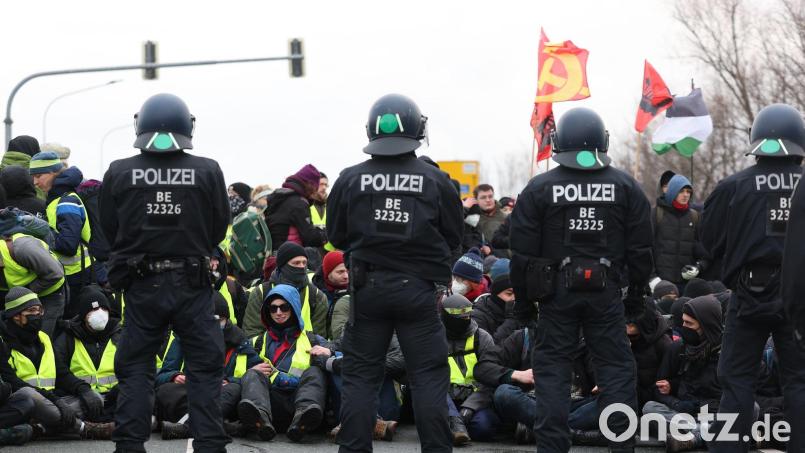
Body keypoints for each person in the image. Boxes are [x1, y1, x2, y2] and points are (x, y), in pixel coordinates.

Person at [509, 107, 654, 453]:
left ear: (559, 142)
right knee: (617, 371)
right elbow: (642, 251)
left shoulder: (540, 187)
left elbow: (522, 255)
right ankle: (621, 446)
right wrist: (635, 297)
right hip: (606, 294)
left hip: (555, 296)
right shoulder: (625, 186)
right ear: (603, 142)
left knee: (553, 374)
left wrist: (525, 305)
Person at [327, 93, 463, 453]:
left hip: (368, 290)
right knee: (429, 378)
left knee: (359, 378)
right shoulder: (437, 181)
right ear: (418, 129)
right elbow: (454, 235)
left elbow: (336, 236)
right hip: (418, 293)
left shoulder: (349, 179)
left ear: (372, 129)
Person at [100, 93, 230, 453]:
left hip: (142, 285)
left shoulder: (119, 171)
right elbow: (219, 228)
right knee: (204, 370)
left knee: (136, 369)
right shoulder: (207, 169)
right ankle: (209, 446)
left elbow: (111, 229)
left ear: (140, 125)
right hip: (193, 284)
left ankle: (129, 446)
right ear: (187, 126)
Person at [703, 103, 805, 452]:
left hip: (749, 292)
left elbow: (709, 240)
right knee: (799, 381)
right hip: (800, 295)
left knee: (736, 380)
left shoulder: (734, 186)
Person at [0, 287, 108, 438]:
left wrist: (84, 390)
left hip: (50, 404)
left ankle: (39, 428)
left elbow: (62, 374)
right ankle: (84, 428)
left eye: (40, 310)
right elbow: (12, 382)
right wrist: (56, 401)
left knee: (95, 399)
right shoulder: (2, 341)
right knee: (29, 395)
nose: (37, 315)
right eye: (31, 311)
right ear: (15, 316)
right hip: (23, 403)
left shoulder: (44, 338)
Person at [154, 293, 265, 440]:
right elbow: (162, 375)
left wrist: (229, 381)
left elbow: (257, 377)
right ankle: (220, 425)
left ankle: (191, 425)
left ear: (227, 320)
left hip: (224, 395)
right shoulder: (182, 339)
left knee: (235, 389)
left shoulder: (239, 341)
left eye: (220, 320)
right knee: (165, 391)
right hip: (192, 393)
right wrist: (175, 376)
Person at [250, 284, 334, 441]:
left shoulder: (313, 340)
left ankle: (302, 421)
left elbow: (339, 354)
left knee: (316, 371)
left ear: (294, 308)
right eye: (273, 309)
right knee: (252, 373)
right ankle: (259, 420)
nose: (278, 312)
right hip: (269, 405)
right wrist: (251, 368)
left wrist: (329, 351)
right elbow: (231, 365)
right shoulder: (257, 342)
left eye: (284, 307)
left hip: (302, 405)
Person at [643, 295, 723, 452]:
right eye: (683, 321)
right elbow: (658, 389)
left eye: (689, 323)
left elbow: (733, 396)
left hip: (714, 414)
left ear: (706, 325)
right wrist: (675, 401)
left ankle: (697, 436)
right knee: (649, 409)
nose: (683, 327)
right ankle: (703, 434)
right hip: (681, 413)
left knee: (740, 414)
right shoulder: (678, 348)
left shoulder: (726, 354)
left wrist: (698, 406)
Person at [29, 151, 94, 318]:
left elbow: (68, 245)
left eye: (39, 175)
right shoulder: (56, 198)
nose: (35, 182)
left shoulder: (66, 200)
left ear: (53, 172)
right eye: (32, 177)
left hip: (76, 277)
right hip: (69, 275)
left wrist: (40, 230)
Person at [52, 285, 118, 436]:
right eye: (93, 310)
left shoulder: (119, 335)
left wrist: (122, 388)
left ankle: (94, 426)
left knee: (138, 401)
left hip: (115, 397)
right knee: (62, 410)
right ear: (83, 315)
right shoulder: (68, 338)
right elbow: (59, 370)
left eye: (103, 309)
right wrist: (83, 390)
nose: (100, 314)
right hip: (80, 398)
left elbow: (134, 367)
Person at [441, 294, 504, 445]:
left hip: (475, 399)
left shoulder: (482, 338)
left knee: (483, 429)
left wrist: (469, 408)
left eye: (467, 312)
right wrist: (453, 413)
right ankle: (454, 423)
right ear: (446, 315)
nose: (464, 317)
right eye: (458, 314)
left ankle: (457, 427)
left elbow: (491, 377)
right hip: (444, 398)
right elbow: (428, 378)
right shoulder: (434, 338)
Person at [242, 242, 328, 338]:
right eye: (296, 263)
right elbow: (252, 332)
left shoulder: (316, 296)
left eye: (304, 263)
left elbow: (320, 338)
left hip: (304, 351)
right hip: (266, 351)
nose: (301, 267)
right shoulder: (261, 292)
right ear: (283, 265)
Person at [0, 231, 66, 336]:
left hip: (49, 295)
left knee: (41, 335)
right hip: (20, 297)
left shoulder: (24, 249)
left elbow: (56, 273)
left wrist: (26, 293)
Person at [650, 174, 705, 293]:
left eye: (688, 191)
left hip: (686, 285)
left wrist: (698, 267)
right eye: (681, 191)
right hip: (661, 284)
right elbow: (646, 248)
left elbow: (704, 252)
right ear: (673, 191)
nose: (686, 195)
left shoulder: (694, 216)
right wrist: (652, 278)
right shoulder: (656, 214)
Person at [265, 164, 327, 250]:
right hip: (291, 255)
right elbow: (310, 238)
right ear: (310, 185)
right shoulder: (299, 203)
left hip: (275, 253)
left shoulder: (279, 198)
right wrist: (327, 233)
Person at [471, 258, 521, 344]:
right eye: (509, 294)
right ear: (495, 295)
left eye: (517, 294)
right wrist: (510, 321)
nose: (514, 298)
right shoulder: (478, 316)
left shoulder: (519, 313)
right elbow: (489, 348)